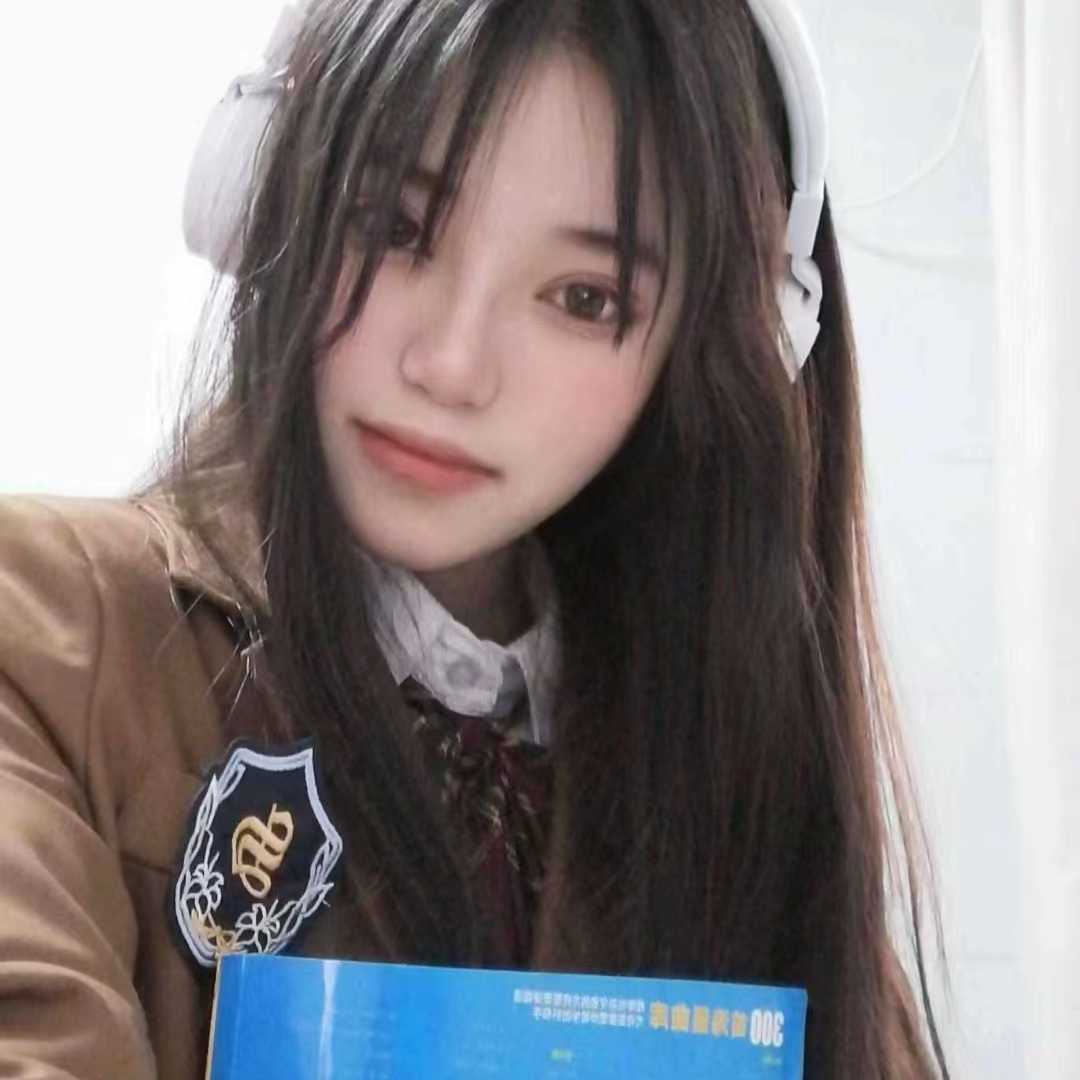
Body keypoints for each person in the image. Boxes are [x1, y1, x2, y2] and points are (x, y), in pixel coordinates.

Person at [0, 0, 950, 1077]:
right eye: (395, 229)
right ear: (266, 195)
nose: (452, 366)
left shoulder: (733, 769)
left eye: (583, 298)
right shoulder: (47, 641)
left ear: (718, 353)